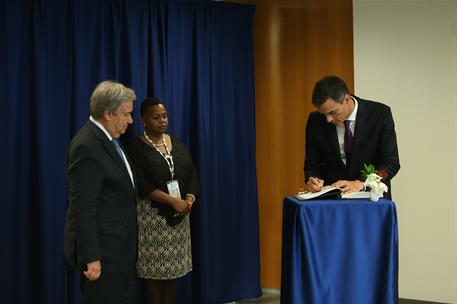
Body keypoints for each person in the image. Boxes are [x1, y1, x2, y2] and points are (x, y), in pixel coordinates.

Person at [63, 80, 137, 304]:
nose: (131, 120)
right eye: (126, 114)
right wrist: (92, 257)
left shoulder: (110, 139)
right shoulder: (87, 146)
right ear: (108, 114)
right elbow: (83, 208)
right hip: (103, 256)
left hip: (120, 250)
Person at [125, 97, 199, 304]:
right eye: (156, 117)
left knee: (172, 273)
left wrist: (189, 199)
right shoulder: (135, 147)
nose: (162, 121)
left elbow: (191, 171)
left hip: (180, 215)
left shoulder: (175, 142)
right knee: (155, 276)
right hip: (153, 218)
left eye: (164, 116)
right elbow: (139, 182)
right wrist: (171, 201)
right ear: (144, 120)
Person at [304, 75, 400, 199]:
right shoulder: (315, 120)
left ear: (346, 99)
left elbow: (391, 164)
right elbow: (312, 164)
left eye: (333, 112)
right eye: (324, 114)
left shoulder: (380, 114)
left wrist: (361, 183)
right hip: (332, 200)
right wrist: (313, 180)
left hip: (371, 198)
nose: (328, 119)